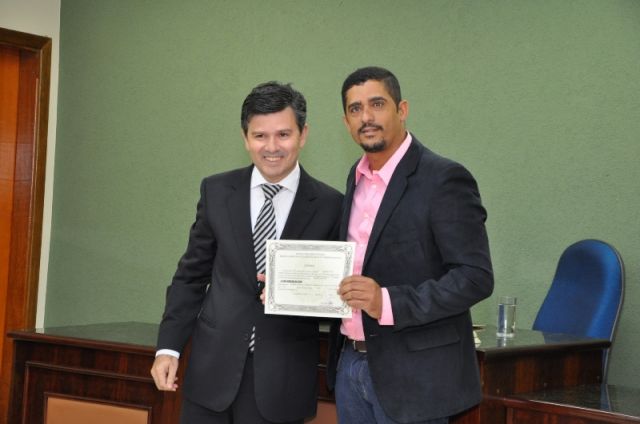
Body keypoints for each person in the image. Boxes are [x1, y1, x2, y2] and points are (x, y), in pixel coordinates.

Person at [151, 81, 343, 424]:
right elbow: (190, 277)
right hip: (210, 376)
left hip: (281, 382)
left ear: (303, 135)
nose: (272, 147)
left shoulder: (331, 205)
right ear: (245, 138)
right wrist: (168, 348)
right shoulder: (216, 191)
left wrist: (301, 294)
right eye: (260, 136)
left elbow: (337, 293)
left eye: (283, 134)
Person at [326, 66, 494, 424]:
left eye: (377, 104)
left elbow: (475, 277)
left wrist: (387, 302)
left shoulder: (444, 178)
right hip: (350, 365)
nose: (366, 117)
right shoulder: (356, 178)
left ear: (401, 110)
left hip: (415, 378)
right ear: (346, 122)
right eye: (355, 109)